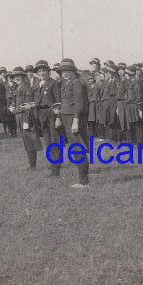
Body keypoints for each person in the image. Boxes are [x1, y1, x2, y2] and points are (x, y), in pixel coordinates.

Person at [57, 59, 92, 188]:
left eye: (67, 71)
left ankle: (84, 181)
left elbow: (80, 104)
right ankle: (83, 179)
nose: (65, 74)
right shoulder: (67, 83)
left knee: (78, 148)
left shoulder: (76, 84)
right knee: (75, 148)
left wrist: (76, 121)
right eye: (62, 71)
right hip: (67, 118)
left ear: (73, 71)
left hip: (73, 118)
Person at [7, 66, 40, 169]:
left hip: (25, 117)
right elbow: (16, 100)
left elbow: (28, 105)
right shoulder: (17, 87)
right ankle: (31, 164)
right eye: (15, 76)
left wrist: (26, 121)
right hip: (19, 116)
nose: (17, 78)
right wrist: (12, 106)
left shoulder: (26, 87)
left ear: (23, 76)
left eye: (19, 76)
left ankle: (33, 165)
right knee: (26, 140)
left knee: (30, 140)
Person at [32, 60, 61, 173]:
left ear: (48, 71)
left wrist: (58, 117)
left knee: (54, 141)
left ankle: (55, 170)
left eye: (44, 70)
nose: (41, 73)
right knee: (48, 142)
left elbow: (58, 102)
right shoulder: (36, 85)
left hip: (51, 115)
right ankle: (53, 164)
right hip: (40, 116)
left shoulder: (53, 83)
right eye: (39, 71)